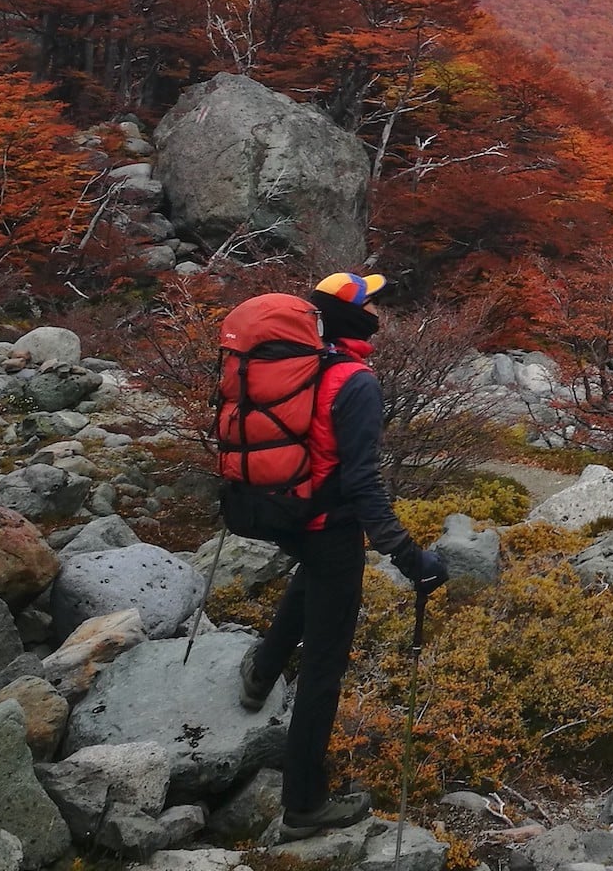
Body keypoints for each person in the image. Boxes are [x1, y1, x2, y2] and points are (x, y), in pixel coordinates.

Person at [235, 271, 447, 840]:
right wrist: (409, 557)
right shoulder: (353, 381)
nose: (380, 310)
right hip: (330, 527)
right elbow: (362, 485)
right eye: (373, 303)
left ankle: (260, 671)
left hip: (284, 515)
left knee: (311, 578)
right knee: (325, 668)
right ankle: (304, 804)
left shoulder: (293, 365)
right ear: (356, 316)